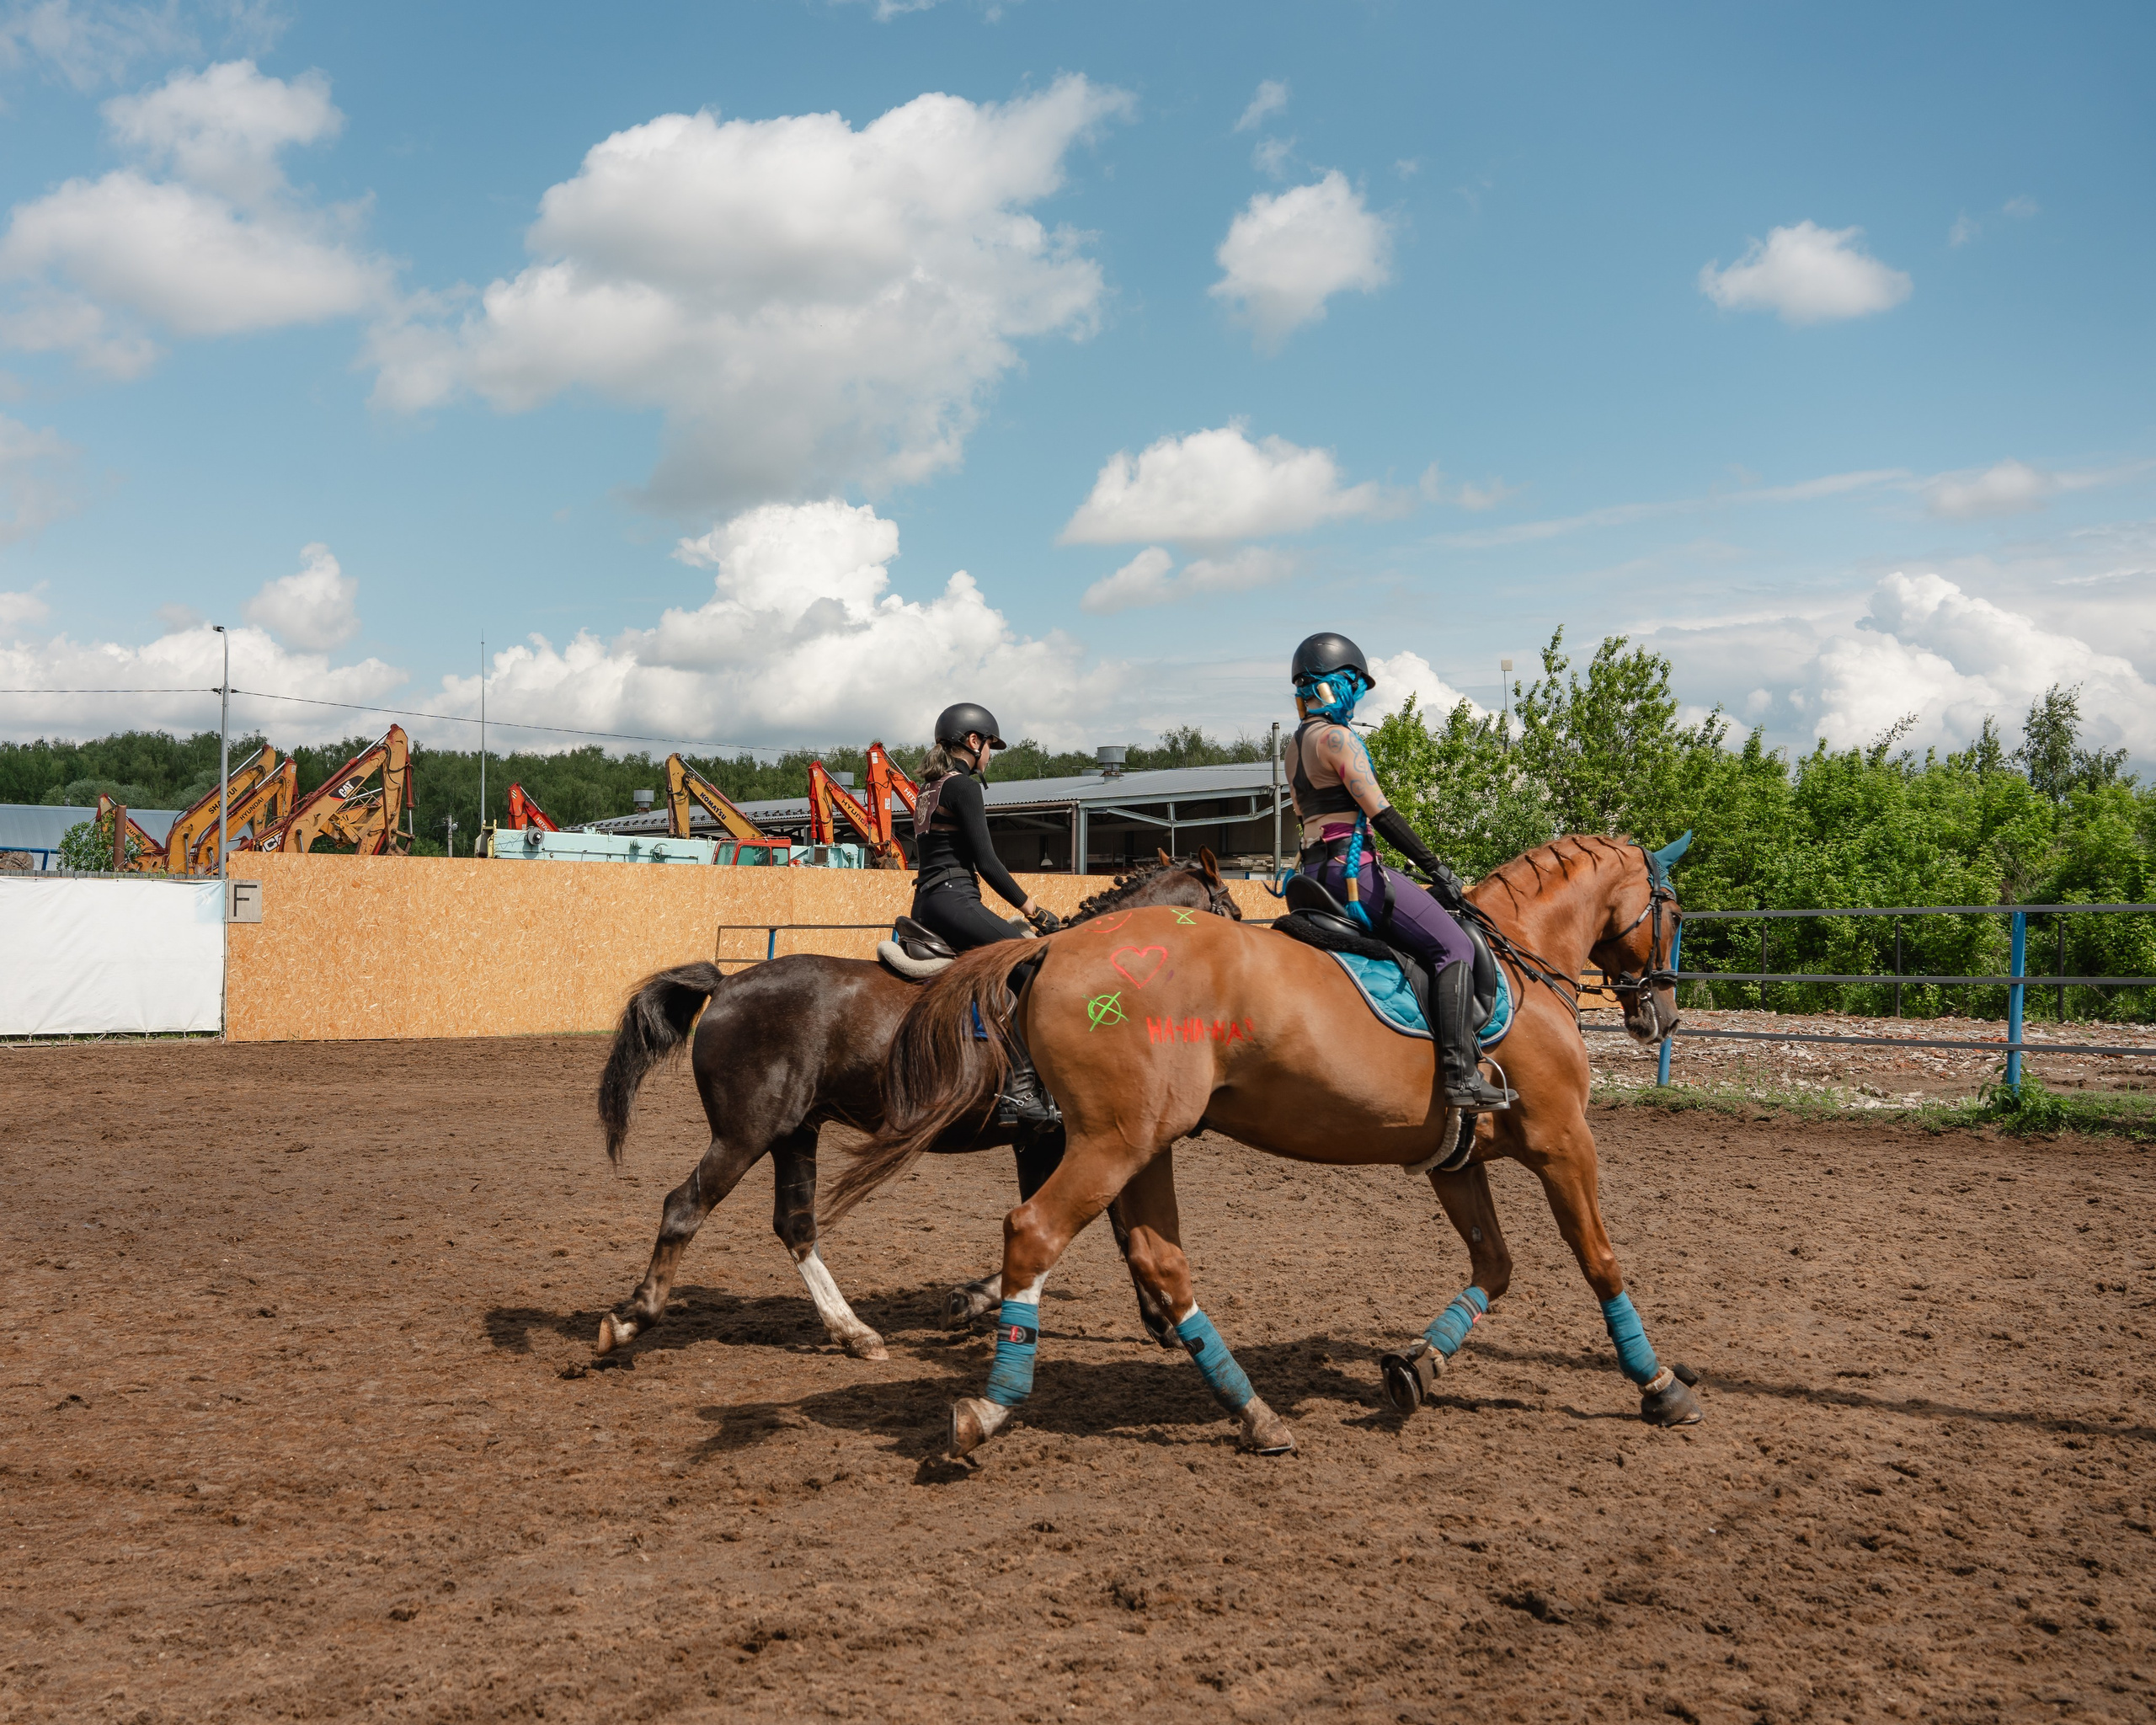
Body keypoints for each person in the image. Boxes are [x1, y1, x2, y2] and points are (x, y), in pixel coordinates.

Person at [1284, 633, 1515, 1110]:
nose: (1357, 698)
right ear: (1337, 686)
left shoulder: (1293, 748)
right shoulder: (1338, 739)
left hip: (1312, 874)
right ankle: (1460, 1075)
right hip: (1354, 877)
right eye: (1355, 686)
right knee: (1452, 945)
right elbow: (1382, 815)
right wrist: (1438, 869)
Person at [911, 702, 1064, 1128]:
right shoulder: (962, 786)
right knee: (1034, 970)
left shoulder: (928, 788)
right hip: (953, 898)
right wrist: (1036, 913)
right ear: (973, 742)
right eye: (990, 746)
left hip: (926, 901)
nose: (990, 755)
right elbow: (986, 862)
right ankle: (1017, 1093)